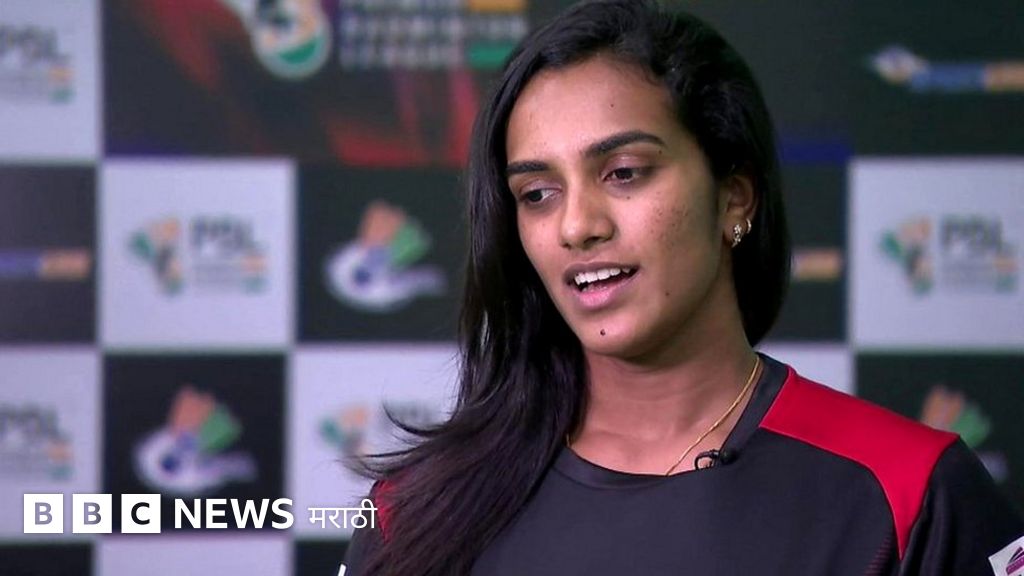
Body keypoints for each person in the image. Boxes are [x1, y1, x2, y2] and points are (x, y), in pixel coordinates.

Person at [343, 1, 1024, 574]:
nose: (577, 226)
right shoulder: (414, 510)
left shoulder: (911, 493)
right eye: (538, 193)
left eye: (624, 172)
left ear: (734, 197)